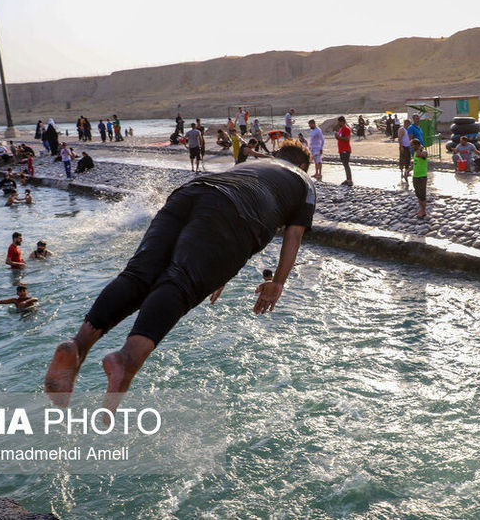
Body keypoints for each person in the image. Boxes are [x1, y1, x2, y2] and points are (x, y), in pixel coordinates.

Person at [43, 141, 316, 411]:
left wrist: (220, 272)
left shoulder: (256, 163)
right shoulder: (303, 181)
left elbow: (225, 202)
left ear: (279, 155)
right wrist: (278, 282)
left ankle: (77, 346)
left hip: (190, 193)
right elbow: (294, 234)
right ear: (303, 165)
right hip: (234, 212)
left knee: (138, 276)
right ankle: (126, 359)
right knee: (180, 283)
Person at [410, 138, 428, 218]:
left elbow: (419, 155)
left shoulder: (424, 152)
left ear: (417, 145)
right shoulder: (415, 153)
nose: (411, 147)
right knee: (418, 195)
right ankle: (421, 209)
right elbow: (415, 163)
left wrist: (420, 148)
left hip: (422, 177)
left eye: (412, 145)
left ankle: (423, 211)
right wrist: (408, 170)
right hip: (415, 176)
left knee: (422, 195)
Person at [335, 116, 353, 186]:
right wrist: (337, 137)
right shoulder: (341, 129)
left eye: (339, 122)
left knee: (346, 164)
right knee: (345, 165)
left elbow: (347, 138)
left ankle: (349, 180)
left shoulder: (346, 129)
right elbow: (340, 138)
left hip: (346, 149)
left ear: (342, 122)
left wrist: (339, 137)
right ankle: (348, 179)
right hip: (341, 149)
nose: (338, 123)